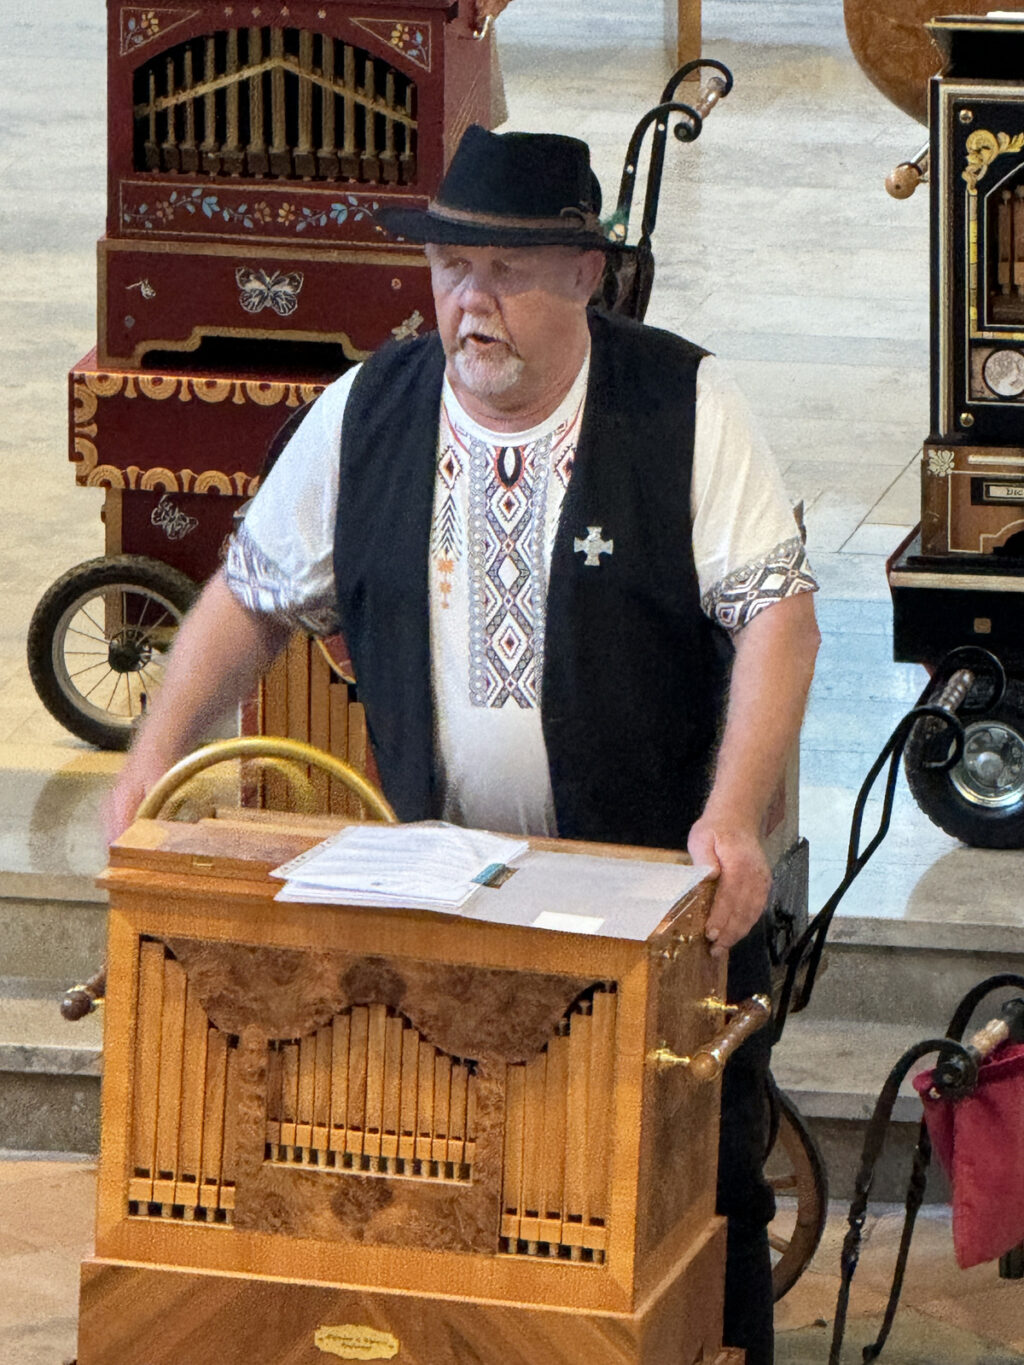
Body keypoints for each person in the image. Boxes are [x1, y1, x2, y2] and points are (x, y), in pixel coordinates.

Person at [103, 125, 820, 1363]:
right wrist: (149, 768)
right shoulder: (369, 410)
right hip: (450, 902)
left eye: (505, 272)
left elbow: (779, 618)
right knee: (471, 1205)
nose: (469, 303)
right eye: (449, 270)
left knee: (701, 1198)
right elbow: (250, 599)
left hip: (661, 901)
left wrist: (735, 816)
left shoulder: (682, 405)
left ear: (586, 275)